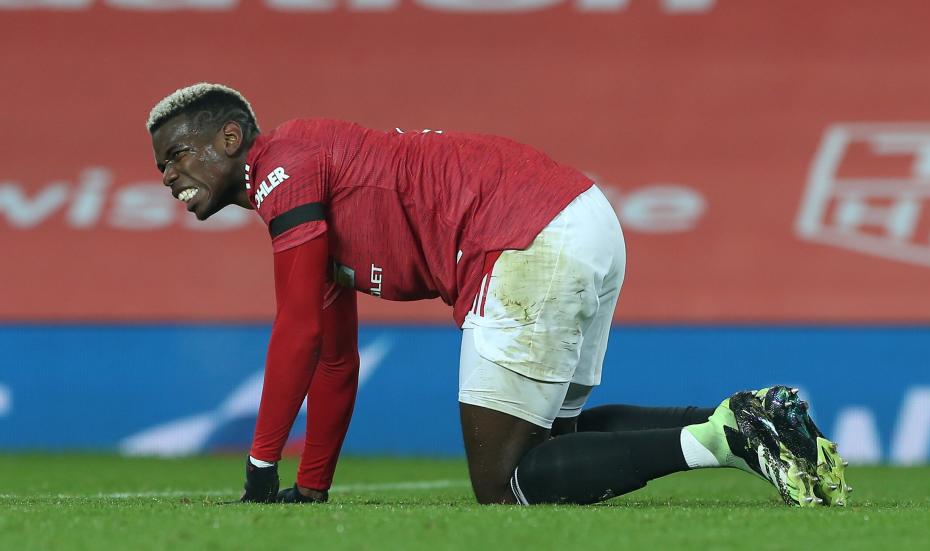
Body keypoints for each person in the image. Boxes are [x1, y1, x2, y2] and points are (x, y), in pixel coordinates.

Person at [146, 83, 850, 507]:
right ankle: (747, 416)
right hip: (580, 216)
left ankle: (723, 439)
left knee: (504, 483)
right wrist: (311, 486)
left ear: (231, 137)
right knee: (556, 449)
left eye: (177, 156)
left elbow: (296, 330)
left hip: (523, 239)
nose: (169, 177)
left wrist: (262, 469)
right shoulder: (301, 189)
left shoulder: (282, 168)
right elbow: (333, 359)